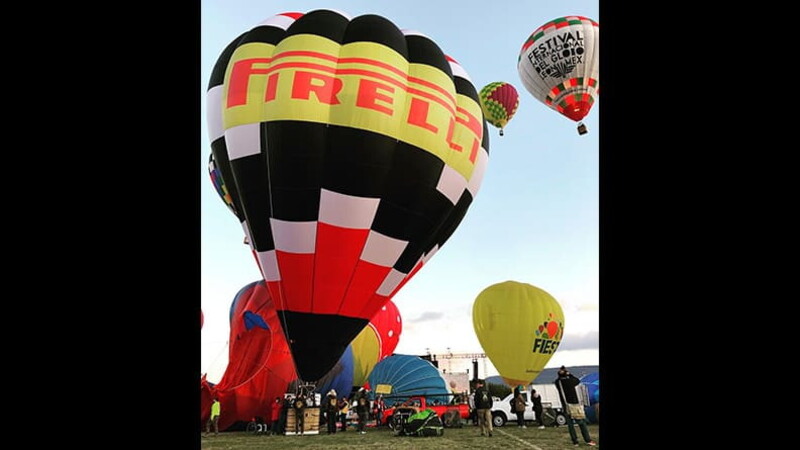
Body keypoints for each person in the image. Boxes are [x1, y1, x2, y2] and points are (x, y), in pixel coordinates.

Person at [555, 366, 597, 447]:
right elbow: (577, 380)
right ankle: (587, 440)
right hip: (575, 405)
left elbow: (558, 379)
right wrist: (569, 374)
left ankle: (575, 442)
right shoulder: (570, 381)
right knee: (581, 423)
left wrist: (562, 374)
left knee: (571, 425)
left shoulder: (558, 382)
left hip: (565, 405)